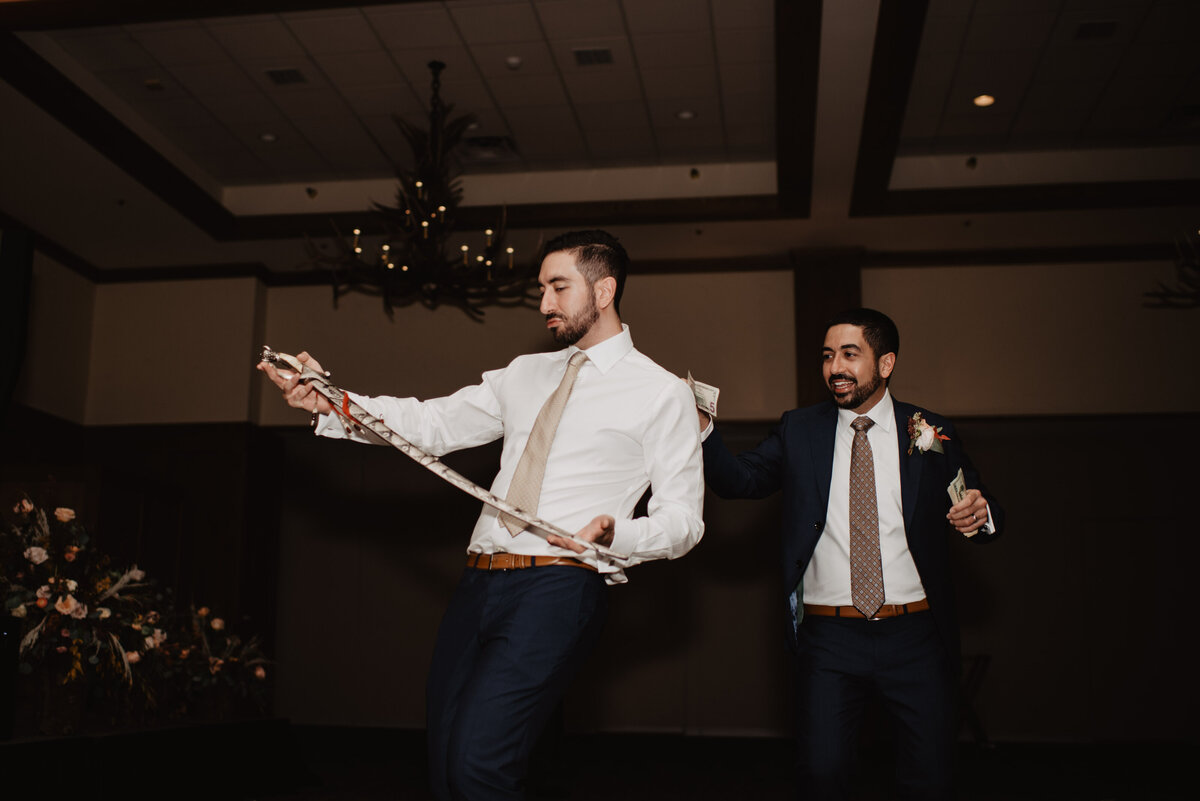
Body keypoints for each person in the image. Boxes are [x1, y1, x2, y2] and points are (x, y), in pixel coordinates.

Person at [258, 230, 704, 801]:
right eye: (541, 288)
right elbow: (432, 425)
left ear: (604, 289)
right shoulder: (523, 373)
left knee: (479, 766)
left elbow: (684, 521)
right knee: (446, 766)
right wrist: (331, 400)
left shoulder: (661, 393)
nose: (543, 303)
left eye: (558, 287)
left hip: (559, 588)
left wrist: (622, 533)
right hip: (478, 583)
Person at [699, 308, 1003, 801]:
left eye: (849, 354)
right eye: (827, 356)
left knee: (930, 778)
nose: (834, 366)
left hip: (917, 636)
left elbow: (980, 506)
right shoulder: (800, 430)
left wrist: (981, 514)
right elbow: (742, 481)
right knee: (821, 774)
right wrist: (704, 432)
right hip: (829, 639)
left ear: (885, 364)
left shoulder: (931, 432)